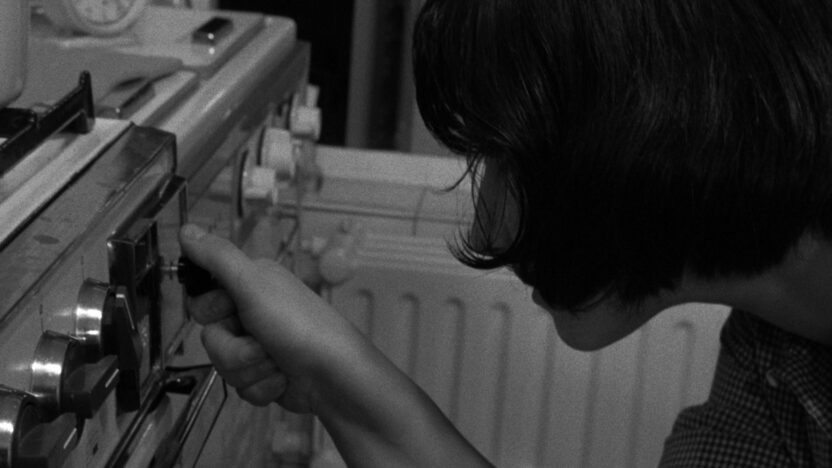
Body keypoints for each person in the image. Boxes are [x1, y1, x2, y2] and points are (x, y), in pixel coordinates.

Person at [179, 0, 832, 466]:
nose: (485, 226)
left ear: (639, 133)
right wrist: (332, 374)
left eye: (501, 160)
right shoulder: (773, 360)